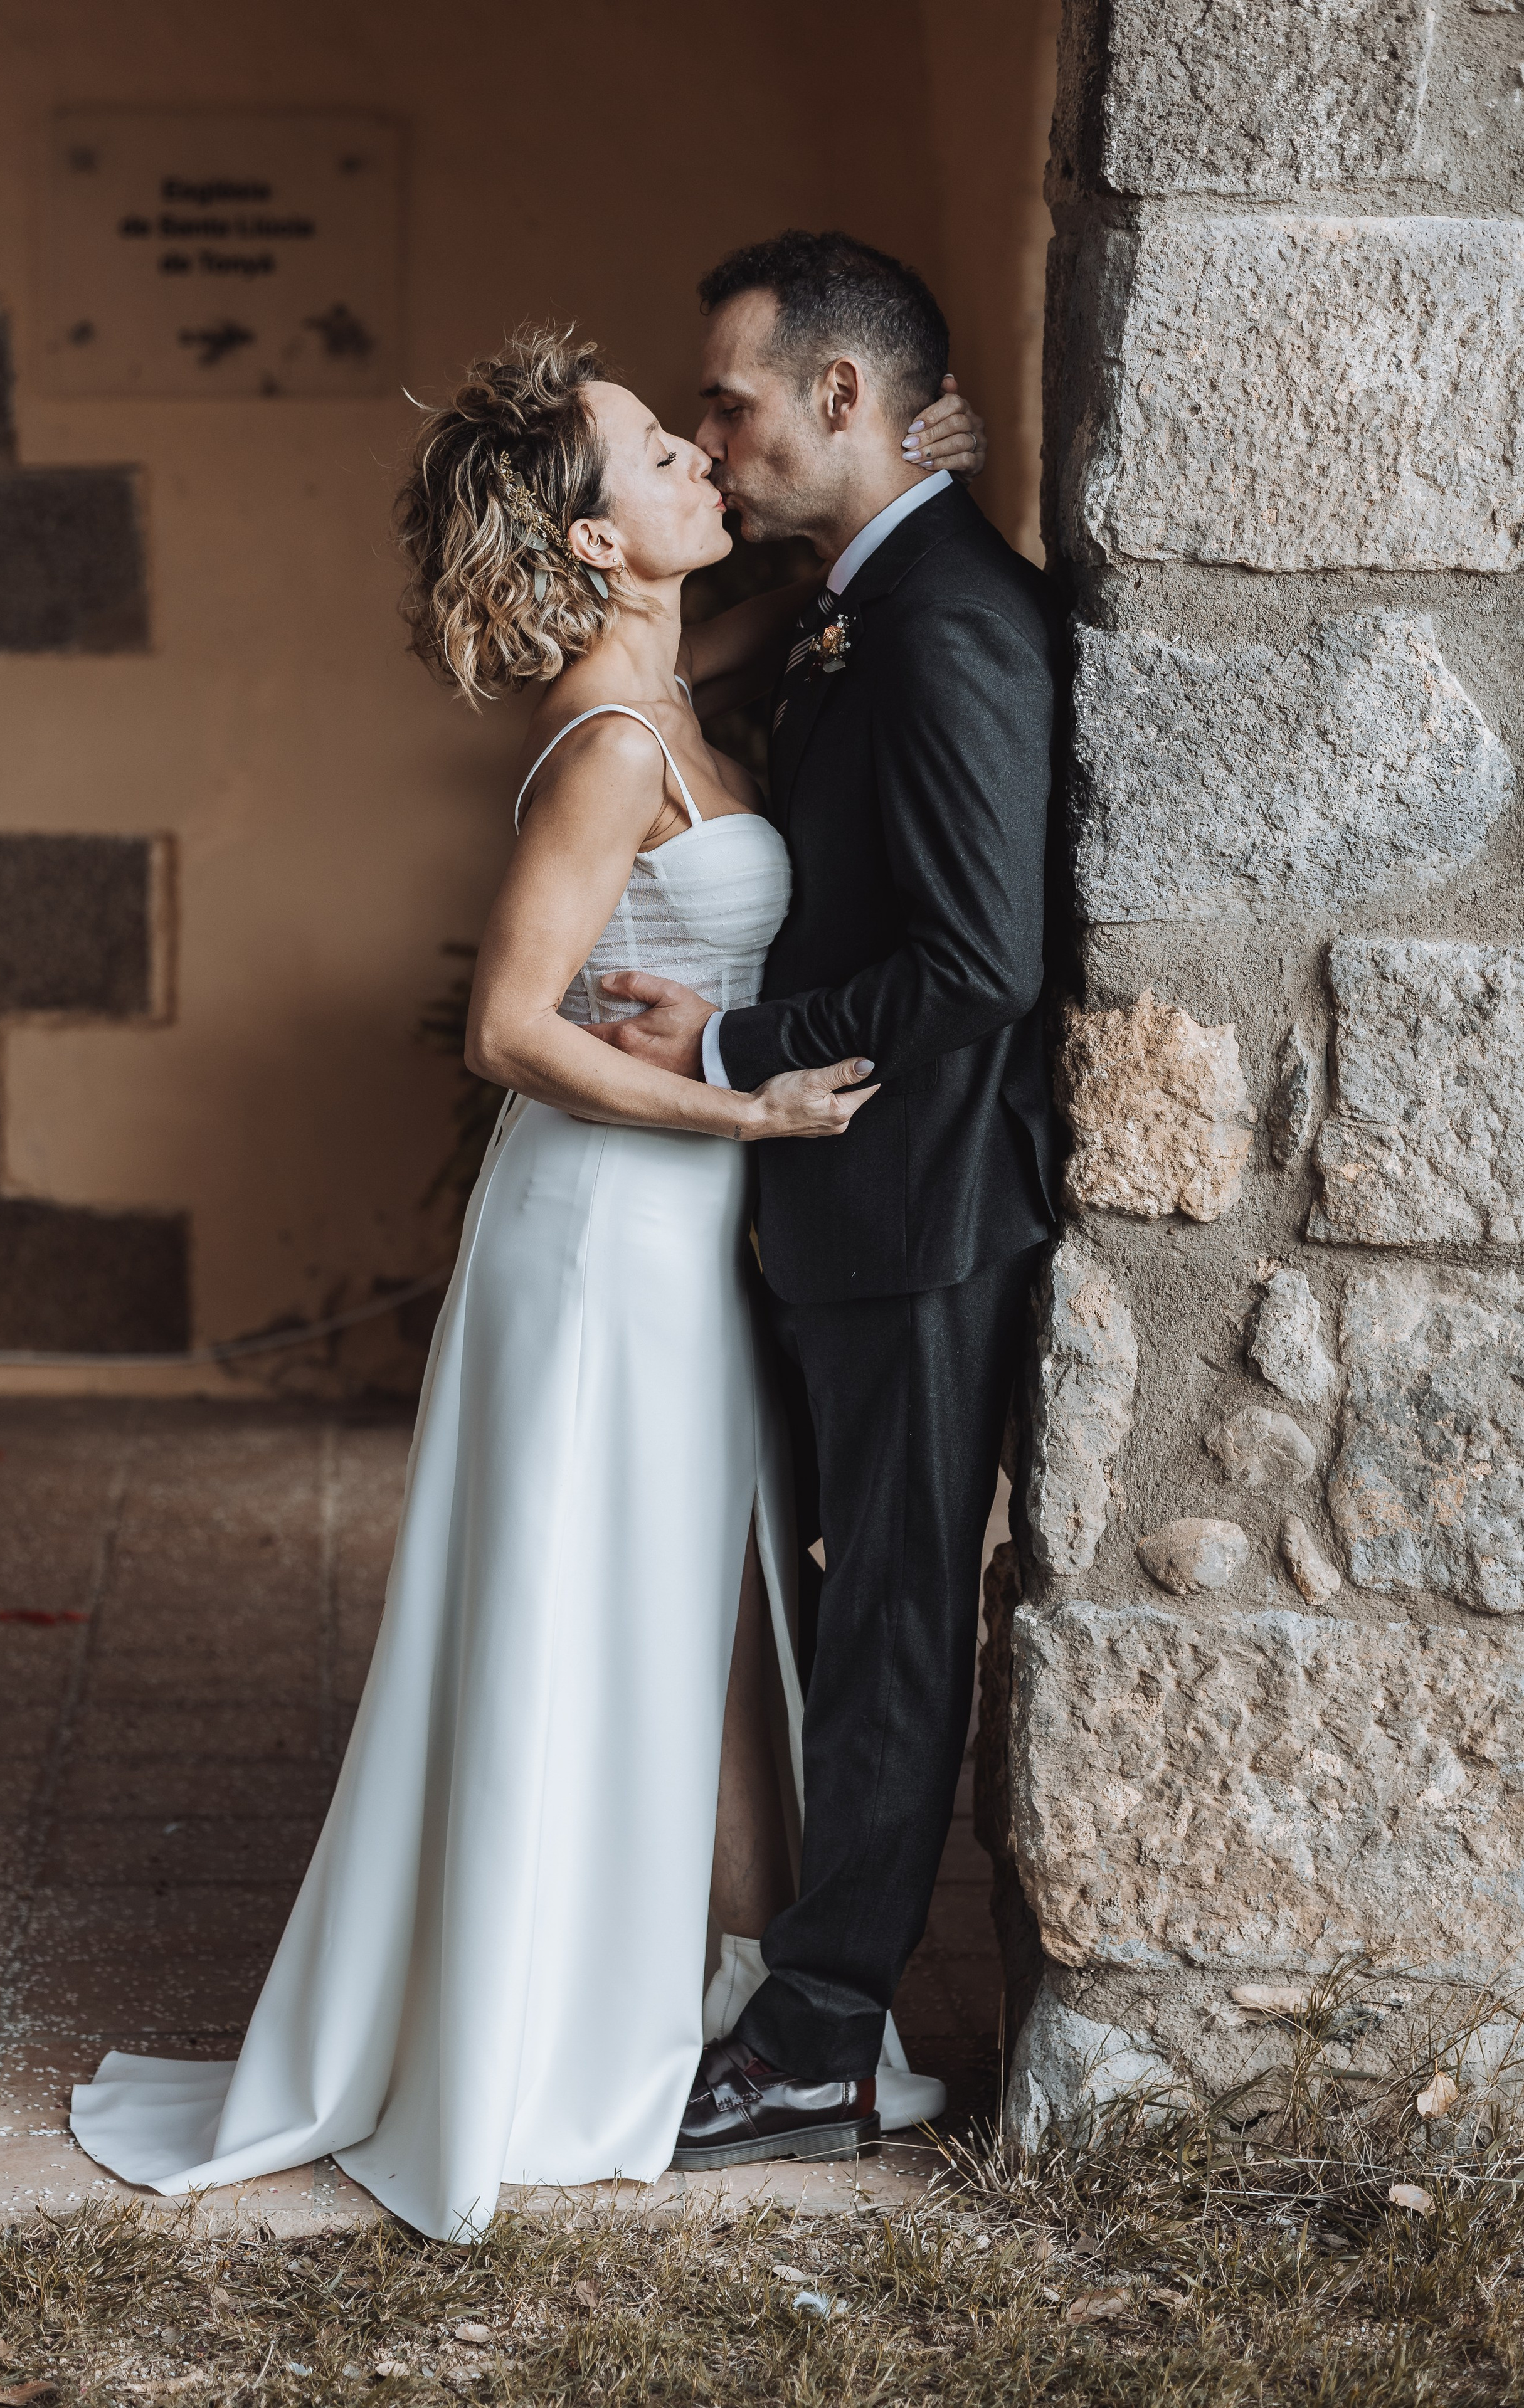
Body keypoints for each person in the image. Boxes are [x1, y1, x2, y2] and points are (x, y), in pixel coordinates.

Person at [66, 319, 988, 2240]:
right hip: (603, 1237)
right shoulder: (610, 744)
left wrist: (902, 482)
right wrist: (743, 1112)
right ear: (591, 539)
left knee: (706, 1612)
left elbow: (801, 613)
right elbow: (505, 1026)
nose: (701, 459)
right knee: (602, 1603)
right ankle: (555, 2016)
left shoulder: (673, 685)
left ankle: (724, 1997)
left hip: (678, 1237)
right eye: (661, 451)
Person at [583, 231, 1059, 2169]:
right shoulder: (872, 590)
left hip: (923, 1206)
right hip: (843, 1200)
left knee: (892, 1624)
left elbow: (978, 965)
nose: (713, 437)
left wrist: (731, 1040)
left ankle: (822, 2037)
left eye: (732, 404)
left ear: (843, 397)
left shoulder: (946, 619)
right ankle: (778, 1980)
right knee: (830, 1609)